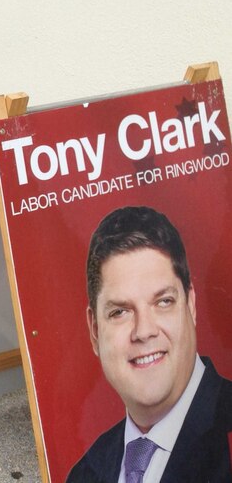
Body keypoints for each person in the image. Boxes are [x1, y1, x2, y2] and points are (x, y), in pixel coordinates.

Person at [67, 206, 232, 482]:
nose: (143, 331)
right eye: (120, 312)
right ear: (95, 330)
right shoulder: (85, 473)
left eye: (163, 302)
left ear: (191, 306)